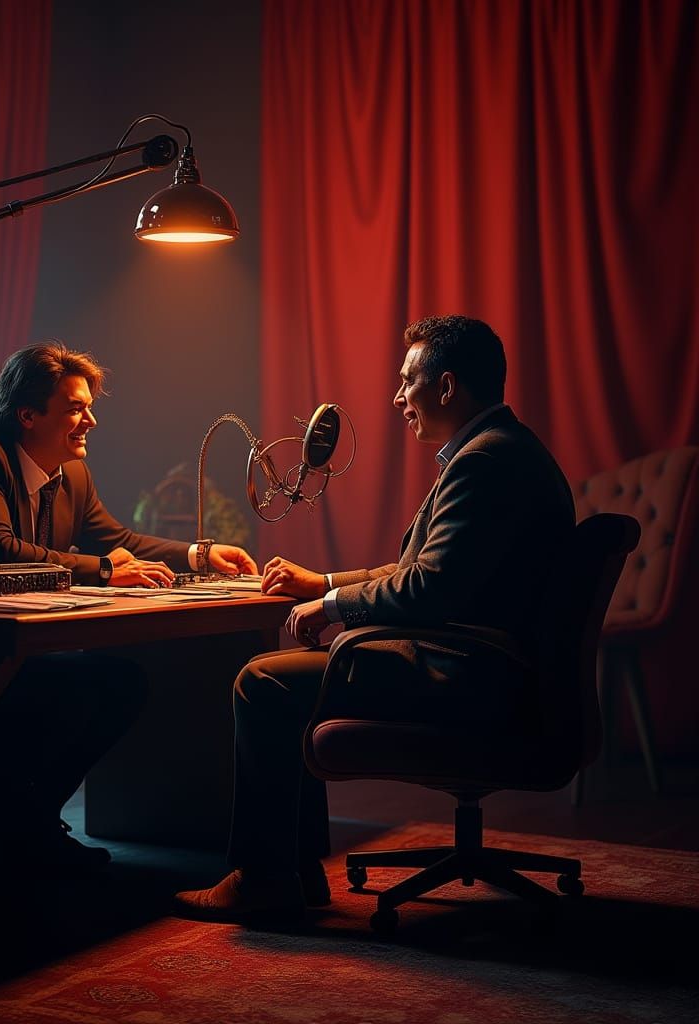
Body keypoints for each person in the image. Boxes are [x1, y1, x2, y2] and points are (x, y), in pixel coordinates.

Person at [173, 314, 576, 921]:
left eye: (407, 380)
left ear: (445, 386)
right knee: (286, 677)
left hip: (473, 677)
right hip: (487, 666)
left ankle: (265, 879)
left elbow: (429, 589)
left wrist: (334, 608)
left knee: (264, 681)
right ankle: (295, 873)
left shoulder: (485, 461)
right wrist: (327, 583)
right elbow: (423, 570)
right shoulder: (498, 450)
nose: (397, 398)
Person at [0, 340, 258, 873]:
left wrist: (202, 553)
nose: (90, 420)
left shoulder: (71, 474)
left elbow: (117, 539)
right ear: (27, 415)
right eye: (75, 408)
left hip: (17, 647)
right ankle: (4, 826)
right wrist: (102, 570)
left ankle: (25, 821)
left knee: (121, 683)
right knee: (87, 688)